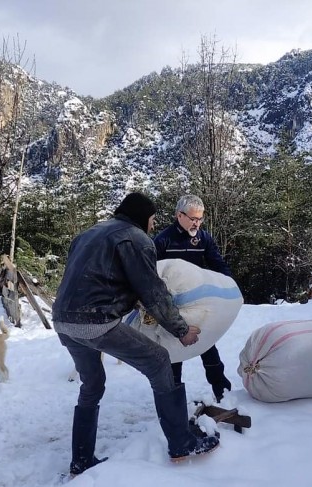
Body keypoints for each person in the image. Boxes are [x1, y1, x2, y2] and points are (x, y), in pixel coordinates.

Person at [52, 192, 219, 477]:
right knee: (158, 361)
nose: (153, 226)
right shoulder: (136, 239)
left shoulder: (89, 233)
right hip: (96, 321)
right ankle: (181, 443)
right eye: (152, 220)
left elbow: (90, 277)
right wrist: (180, 330)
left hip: (64, 321)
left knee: (92, 384)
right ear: (142, 217)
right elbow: (152, 291)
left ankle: (81, 460)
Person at [153, 194, 233, 402]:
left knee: (207, 344)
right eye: (193, 218)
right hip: (172, 306)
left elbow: (217, 264)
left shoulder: (204, 238)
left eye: (200, 218)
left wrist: (231, 285)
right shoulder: (163, 240)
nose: (197, 223)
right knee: (173, 351)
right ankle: (173, 398)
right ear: (179, 215)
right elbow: (150, 272)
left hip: (198, 302)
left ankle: (222, 391)